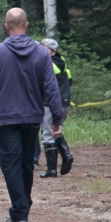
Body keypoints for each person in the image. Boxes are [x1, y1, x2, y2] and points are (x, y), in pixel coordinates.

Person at [0, 8, 62, 222]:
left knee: (11, 164)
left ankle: (20, 212)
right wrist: (57, 117)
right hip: (32, 117)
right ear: (26, 25)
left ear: (6, 26)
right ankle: (23, 205)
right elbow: (52, 88)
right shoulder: (42, 53)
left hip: (4, 118)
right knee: (25, 163)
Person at [39, 38, 74, 178]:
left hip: (51, 104)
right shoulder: (63, 64)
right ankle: (66, 155)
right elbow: (70, 81)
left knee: (47, 134)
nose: (40, 49)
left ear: (52, 52)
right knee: (55, 131)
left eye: (43, 47)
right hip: (65, 103)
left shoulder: (47, 64)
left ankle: (51, 170)